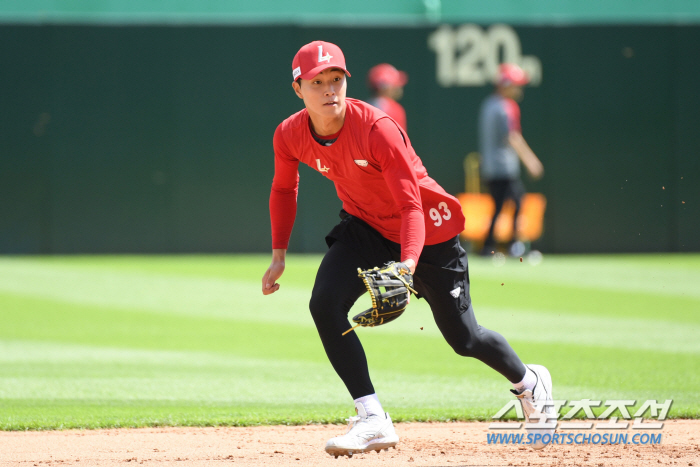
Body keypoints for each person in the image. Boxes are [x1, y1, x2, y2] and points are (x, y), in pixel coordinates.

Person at [262, 41, 554, 457]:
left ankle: (529, 381)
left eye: (337, 79)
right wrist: (278, 254)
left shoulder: (376, 127)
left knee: (465, 338)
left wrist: (407, 265)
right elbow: (283, 188)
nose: (330, 89)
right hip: (366, 226)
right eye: (318, 82)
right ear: (298, 89)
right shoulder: (290, 134)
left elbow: (410, 206)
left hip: (428, 232)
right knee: (323, 303)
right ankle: (372, 418)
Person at [478, 63, 544, 257]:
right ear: (505, 85)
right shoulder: (506, 107)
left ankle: (488, 247)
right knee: (515, 202)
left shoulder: (488, 104)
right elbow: (513, 137)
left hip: (491, 167)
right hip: (503, 167)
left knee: (502, 206)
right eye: (516, 84)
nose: (520, 88)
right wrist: (531, 161)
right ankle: (513, 246)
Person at [366, 63, 408, 131]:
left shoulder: (362, 108)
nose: (398, 87)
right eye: (395, 83)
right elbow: (399, 140)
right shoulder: (395, 109)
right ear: (386, 88)